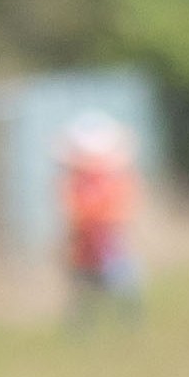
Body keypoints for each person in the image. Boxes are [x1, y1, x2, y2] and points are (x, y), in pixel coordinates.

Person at [57, 116, 146, 327]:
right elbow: (74, 212)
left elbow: (122, 209)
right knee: (86, 296)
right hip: (85, 248)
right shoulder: (74, 182)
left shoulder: (114, 179)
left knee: (121, 289)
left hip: (109, 246)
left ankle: (129, 328)